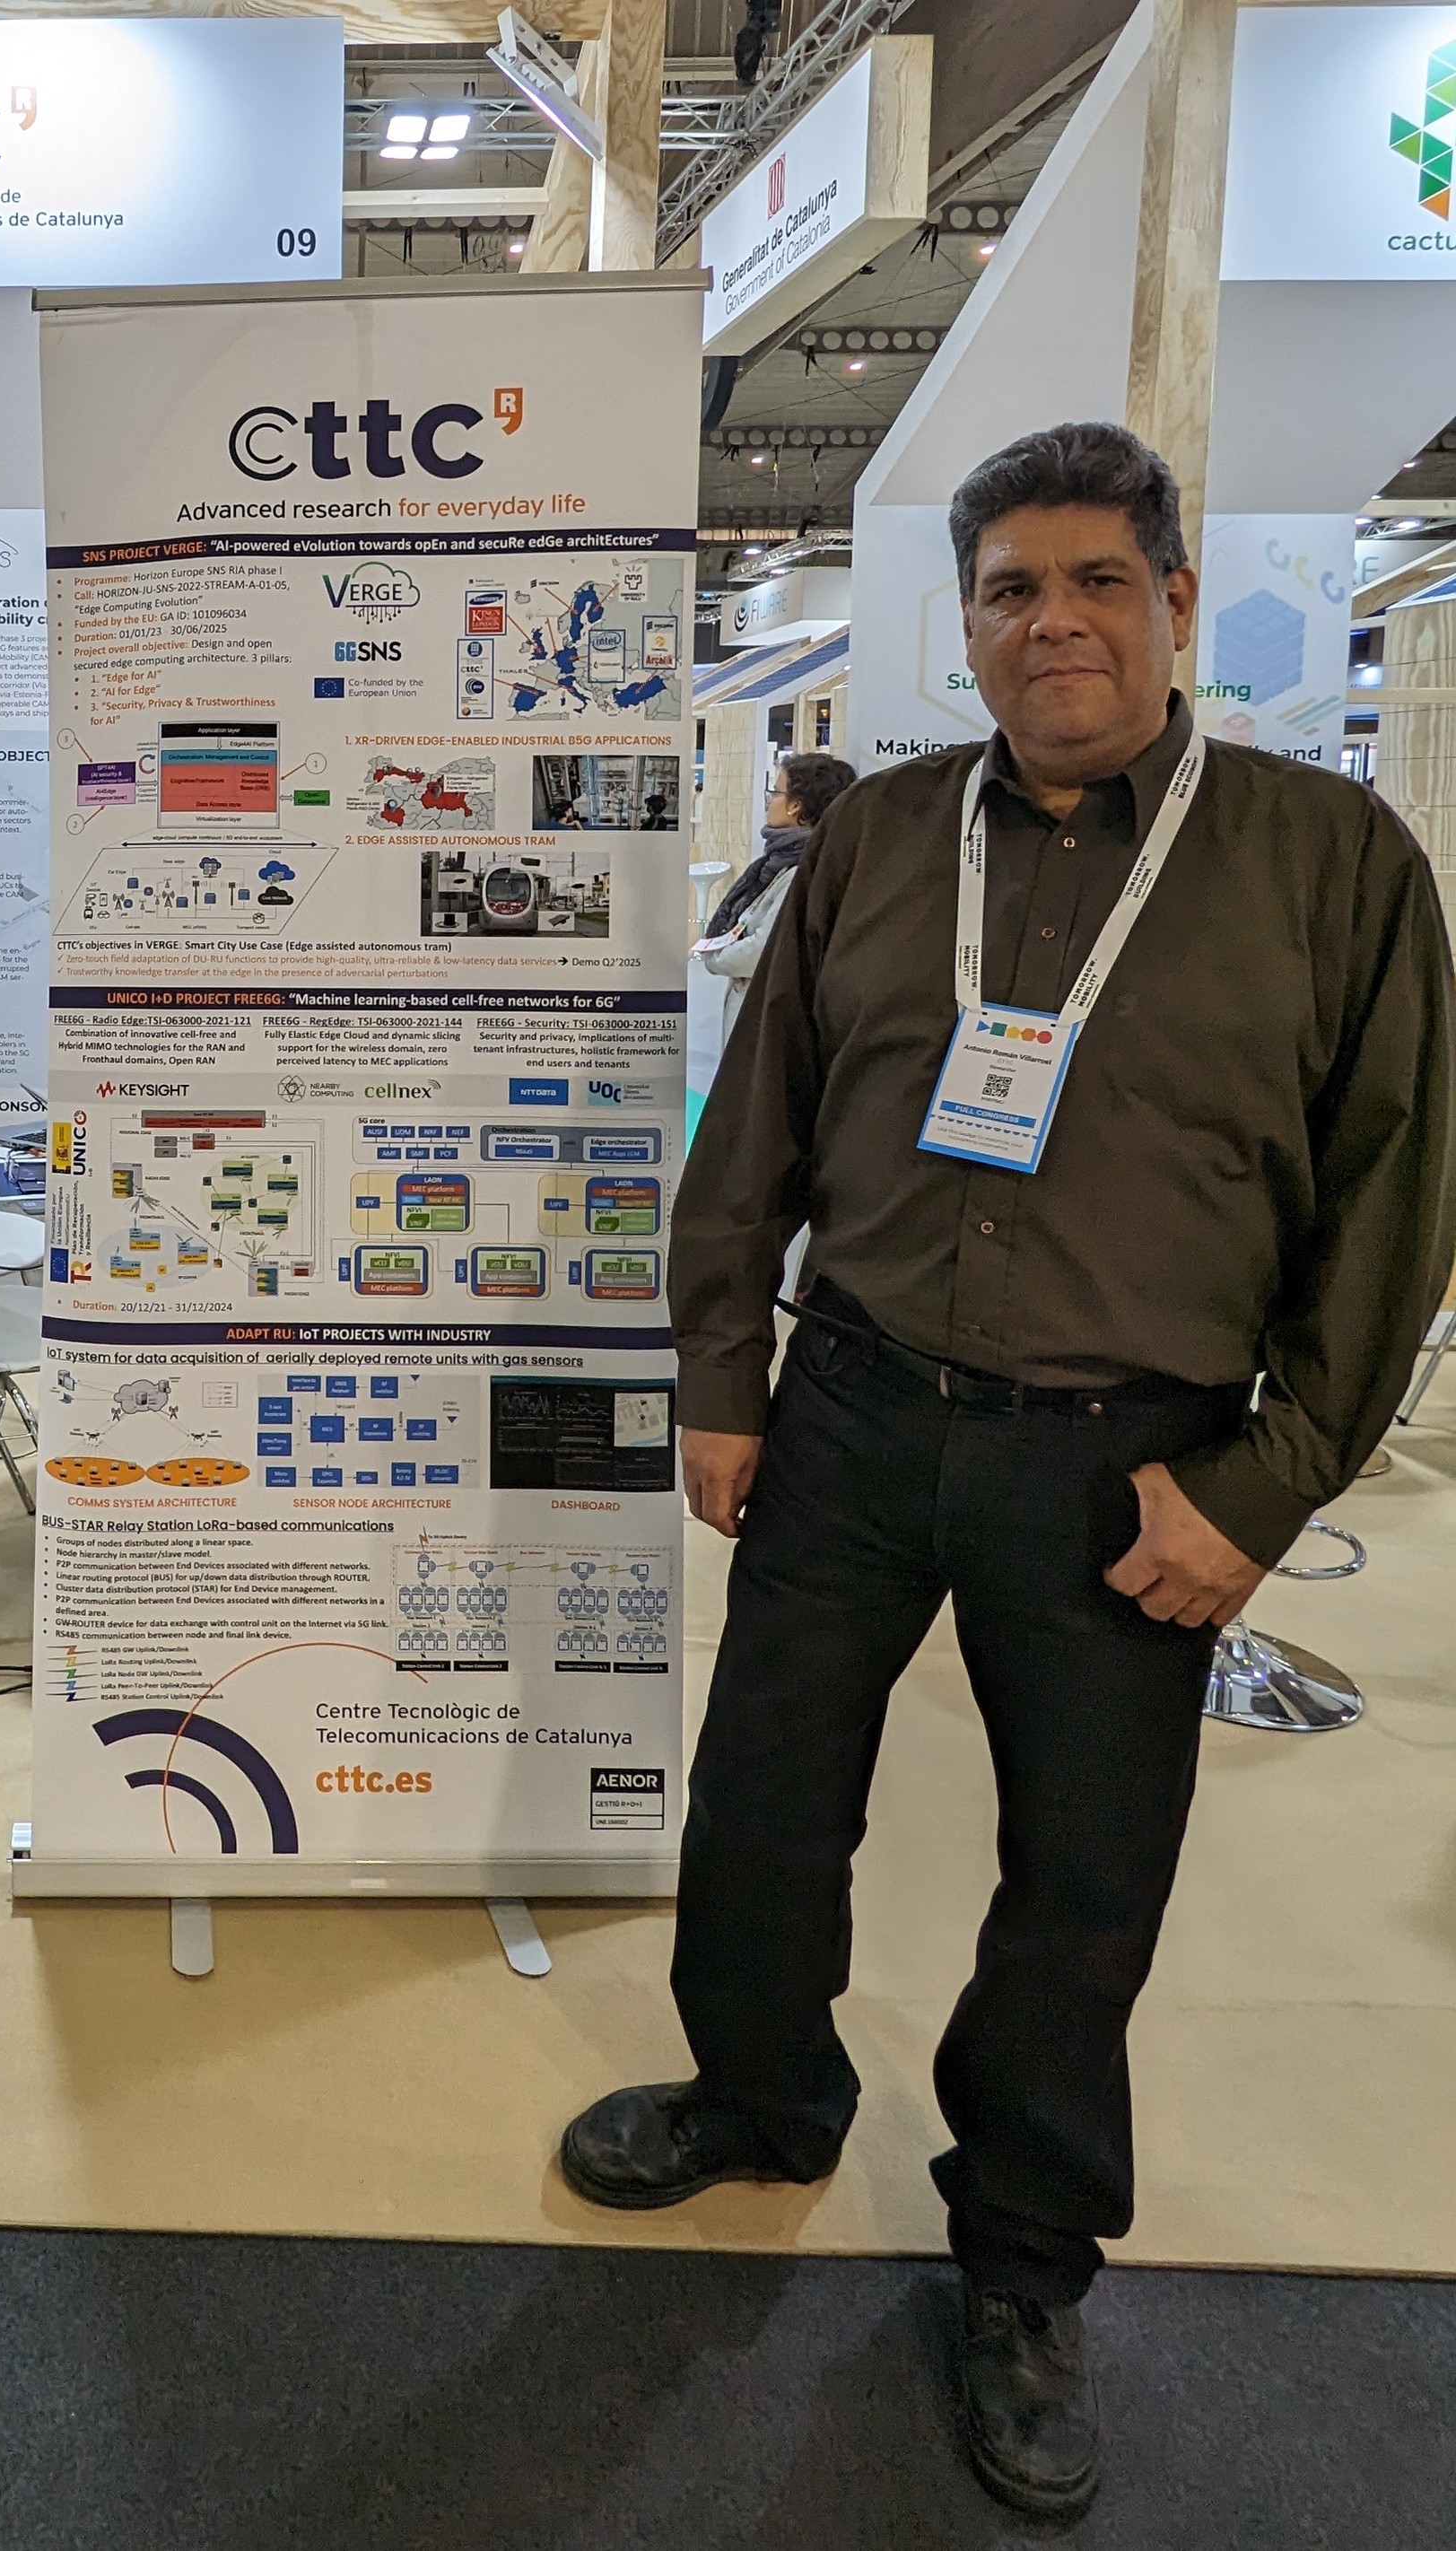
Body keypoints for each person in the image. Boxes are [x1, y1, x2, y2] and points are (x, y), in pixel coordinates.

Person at [559, 424, 1454, 2519]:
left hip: (1132, 1460)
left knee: (1081, 1880)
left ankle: (1023, 2263)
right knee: (762, 1795)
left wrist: (1263, 1486)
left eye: (1093, 582)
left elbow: (1394, 1198)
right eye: (1007, 591)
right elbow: (753, 1128)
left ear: (1171, 602)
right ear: (960, 625)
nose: (1051, 622)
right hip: (855, 1411)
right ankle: (759, 2092)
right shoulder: (880, 837)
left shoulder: (1328, 861)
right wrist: (722, 1376)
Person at [693, 748, 854, 1038]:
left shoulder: (803, 870)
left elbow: (764, 950)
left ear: (796, 806)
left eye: (776, 792)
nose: (769, 800)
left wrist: (714, 957)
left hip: (770, 1023)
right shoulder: (786, 863)